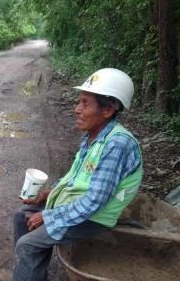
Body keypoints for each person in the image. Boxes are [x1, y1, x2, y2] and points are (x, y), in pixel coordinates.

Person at [12, 68, 143, 281]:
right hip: (76, 204)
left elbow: (95, 201)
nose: (76, 109)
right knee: (22, 216)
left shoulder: (117, 144)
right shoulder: (94, 136)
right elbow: (73, 178)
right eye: (78, 102)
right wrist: (47, 194)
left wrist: (48, 215)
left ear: (108, 110)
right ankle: (32, 271)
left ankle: (29, 265)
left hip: (95, 217)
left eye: (85, 103)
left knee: (27, 243)